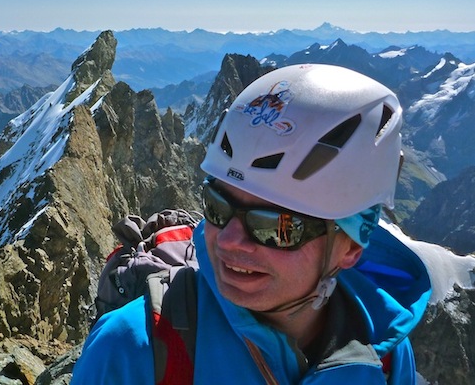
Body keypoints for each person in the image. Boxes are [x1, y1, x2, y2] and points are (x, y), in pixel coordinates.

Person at [71, 64, 432, 384]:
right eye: (217, 207)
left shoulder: (385, 356)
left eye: (276, 227)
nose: (228, 240)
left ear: (350, 247)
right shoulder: (131, 349)